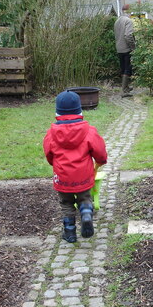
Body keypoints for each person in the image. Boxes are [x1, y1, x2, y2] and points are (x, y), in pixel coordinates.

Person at [43, 91, 107, 243]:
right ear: (80, 111)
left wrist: (55, 164)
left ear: (57, 112)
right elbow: (99, 151)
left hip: (63, 177)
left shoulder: (51, 134)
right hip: (83, 175)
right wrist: (101, 160)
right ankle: (85, 213)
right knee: (85, 198)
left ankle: (70, 232)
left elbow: (49, 154)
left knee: (66, 203)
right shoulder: (89, 131)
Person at [114, 4, 136, 98]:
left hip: (119, 48)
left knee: (123, 68)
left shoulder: (117, 21)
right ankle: (124, 91)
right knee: (128, 69)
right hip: (127, 48)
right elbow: (128, 36)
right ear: (129, 11)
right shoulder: (128, 21)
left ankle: (126, 87)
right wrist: (133, 47)